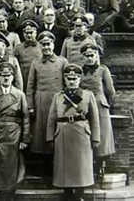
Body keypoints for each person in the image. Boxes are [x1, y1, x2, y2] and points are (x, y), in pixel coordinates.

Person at [46, 63, 100, 201]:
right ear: (64, 79)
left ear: (79, 79)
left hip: (81, 134)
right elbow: (51, 119)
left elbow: (94, 119)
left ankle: (79, 195)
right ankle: (68, 194)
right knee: (65, 167)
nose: (71, 81)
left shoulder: (87, 96)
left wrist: (96, 138)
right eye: (68, 78)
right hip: (63, 134)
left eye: (74, 78)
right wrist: (50, 138)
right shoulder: (58, 96)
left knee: (80, 166)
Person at [0, 62, 30, 201]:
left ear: (13, 77)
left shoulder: (19, 95)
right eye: (3, 75)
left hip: (14, 133)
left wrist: (25, 138)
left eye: (9, 75)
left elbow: (25, 117)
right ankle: (1, 192)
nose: (6, 78)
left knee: (12, 164)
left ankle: (11, 192)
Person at [26, 31, 68, 181]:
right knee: (43, 133)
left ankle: (58, 166)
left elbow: (67, 83)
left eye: (48, 44)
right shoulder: (36, 63)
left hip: (57, 101)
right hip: (41, 101)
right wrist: (30, 105)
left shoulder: (62, 62)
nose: (46, 47)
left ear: (53, 44)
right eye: (43, 45)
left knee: (57, 132)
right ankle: (45, 166)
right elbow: (31, 85)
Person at [80, 43, 115, 177]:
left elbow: (111, 91)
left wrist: (107, 104)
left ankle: (101, 166)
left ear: (96, 55)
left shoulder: (103, 70)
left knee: (102, 135)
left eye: (92, 55)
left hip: (100, 106)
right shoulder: (80, 71)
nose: (90, 58)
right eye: (87, 56)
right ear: (83, 57)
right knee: (88, 134)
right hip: (86, 106)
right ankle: (88, 165)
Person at [14, 20, 41, 92]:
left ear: (35, 33)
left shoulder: (41, 47)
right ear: (23, 34)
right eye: (26, 33)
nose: (29, 35)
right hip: (23, 79)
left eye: (31, 33)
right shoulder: (18, 48)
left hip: (37, 79)